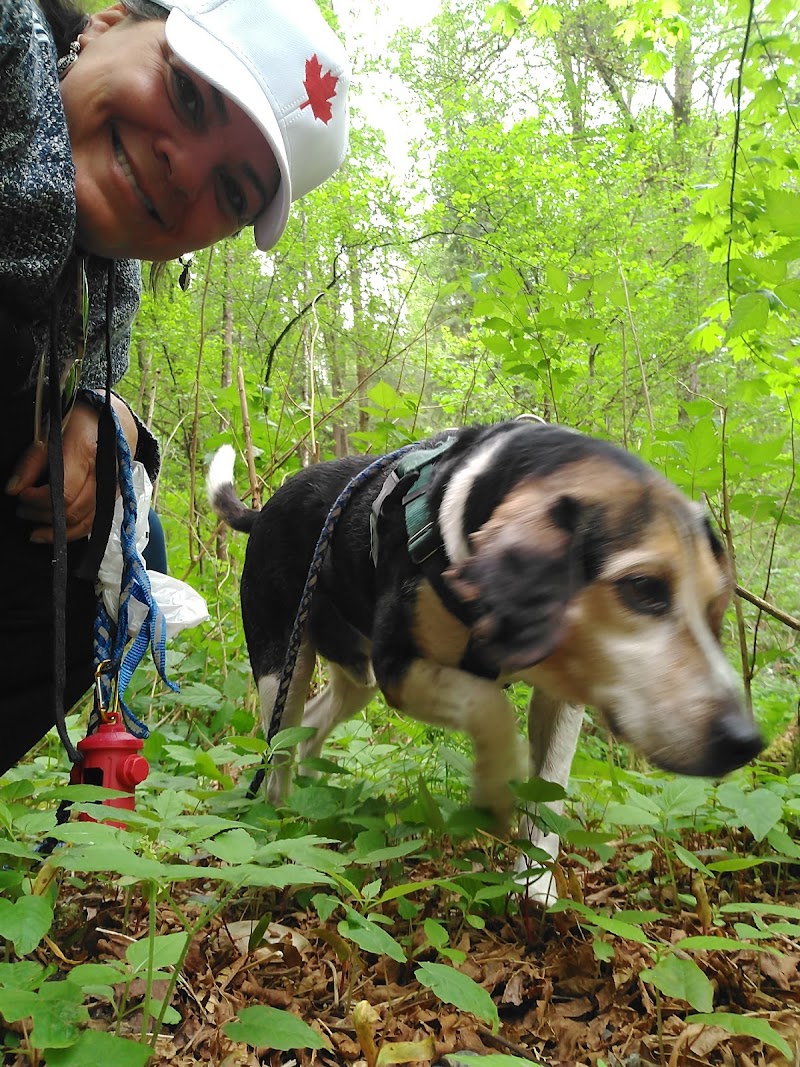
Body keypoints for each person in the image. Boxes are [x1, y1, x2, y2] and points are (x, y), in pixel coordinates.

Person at [0, 0, 350, 773]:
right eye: (189, 93)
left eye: (231, 191)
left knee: (127, 536)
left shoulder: (98, 295)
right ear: (106, 22)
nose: (186, 170)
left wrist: (106, 411)